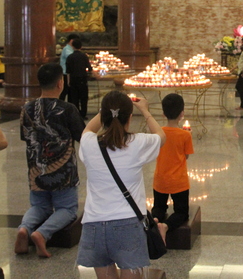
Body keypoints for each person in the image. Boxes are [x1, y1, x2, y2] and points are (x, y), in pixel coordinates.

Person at [77, 91, 166, 279]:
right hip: (128, 225)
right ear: (130, 117)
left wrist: (107, 110)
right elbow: (161, 136)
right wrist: (145, 110)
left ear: (103, 115)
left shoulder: (88, 142)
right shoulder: (137, 142)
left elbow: (87, 130)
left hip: (93, 225)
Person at [15, 63, 85, 258]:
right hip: (63, 174)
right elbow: (83, 136)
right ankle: (41, 234)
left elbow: (26, 137)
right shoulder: (67, 109)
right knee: (67, 209)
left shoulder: (27, 108)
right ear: (60, 83)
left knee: (39, 207)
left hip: (36, 170)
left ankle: (24, 229)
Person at [152, 93, 194, 239]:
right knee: (181, 212)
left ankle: (155, 220)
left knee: (158, 208)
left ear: (163, 113)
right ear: (182, 114)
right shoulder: (185, 135)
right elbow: (186, 156)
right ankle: (166, 226)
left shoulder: (158, 133)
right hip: (179, 182)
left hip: (160, 179)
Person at [66, 38, 92, 119]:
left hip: (73, 79)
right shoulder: (84, 56)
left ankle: (76, 115)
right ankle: (83, 114)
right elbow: (89, 68)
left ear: (73, 46)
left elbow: (68, 71)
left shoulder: (70, 57)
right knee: (83, 98)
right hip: (82, 79)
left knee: (75, 98)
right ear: (81, 47)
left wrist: (68, 82)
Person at [59, 33, 80, 101]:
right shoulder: (67, 49)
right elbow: (72, 58)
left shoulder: (71, 49)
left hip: (70, 73)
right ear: (71, 41)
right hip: (65, 73)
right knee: (64, 91)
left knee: (71, 92)